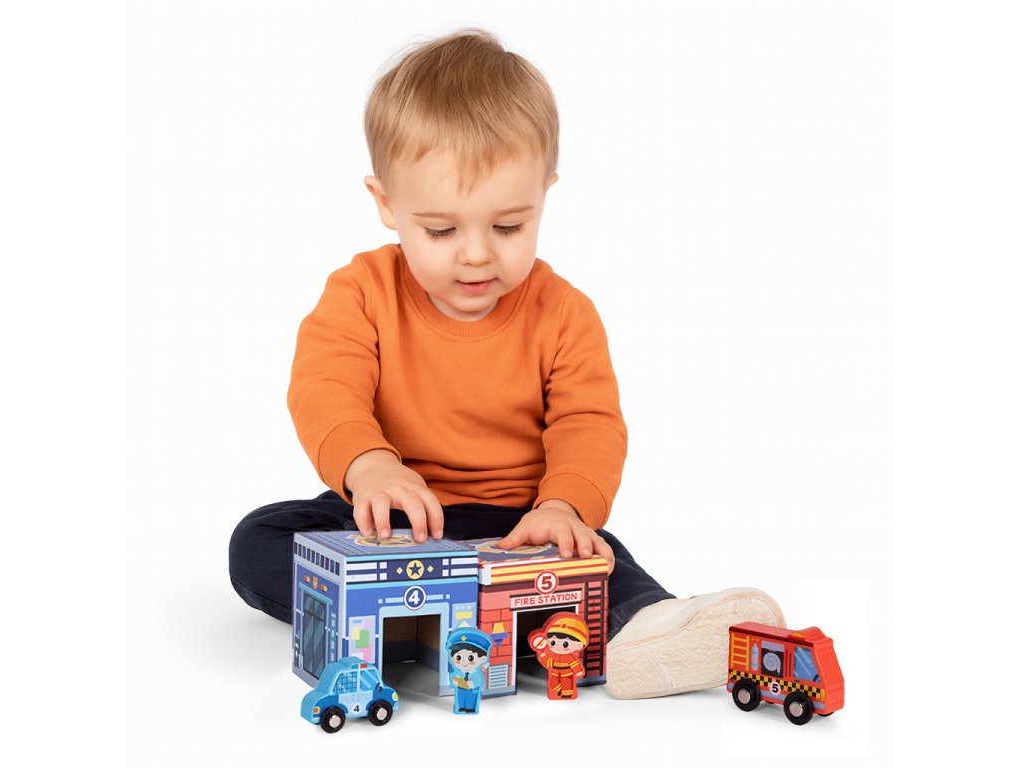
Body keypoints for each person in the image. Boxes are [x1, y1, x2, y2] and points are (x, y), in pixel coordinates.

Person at [229, 28, 784, 700]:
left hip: (521, 527)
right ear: (387, 204)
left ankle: (650, 628)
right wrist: (369, 466)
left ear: (545, 195)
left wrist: (563, 505)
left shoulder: (564, 312)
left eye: (508, 226)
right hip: (394, 522)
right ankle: (455, 620)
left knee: (600, 558)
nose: (475, 254)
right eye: (441, 230)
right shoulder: (360, 292)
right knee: (257, 542)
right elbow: (325, 385)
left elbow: (588, 422)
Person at [447, 628, 492, 715]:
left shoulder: (476, 673)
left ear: (483, 659)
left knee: (471, 699)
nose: (464, 662)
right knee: (461, 697)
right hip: (461, 689)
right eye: (458, 657)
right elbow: (455, 678)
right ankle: (461, 707)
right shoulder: (459, 672)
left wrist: (470, 684)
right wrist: (455, 681)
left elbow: (478, 681)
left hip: (472, 690)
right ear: (452, 658)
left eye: (470, 658)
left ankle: (471, 708)